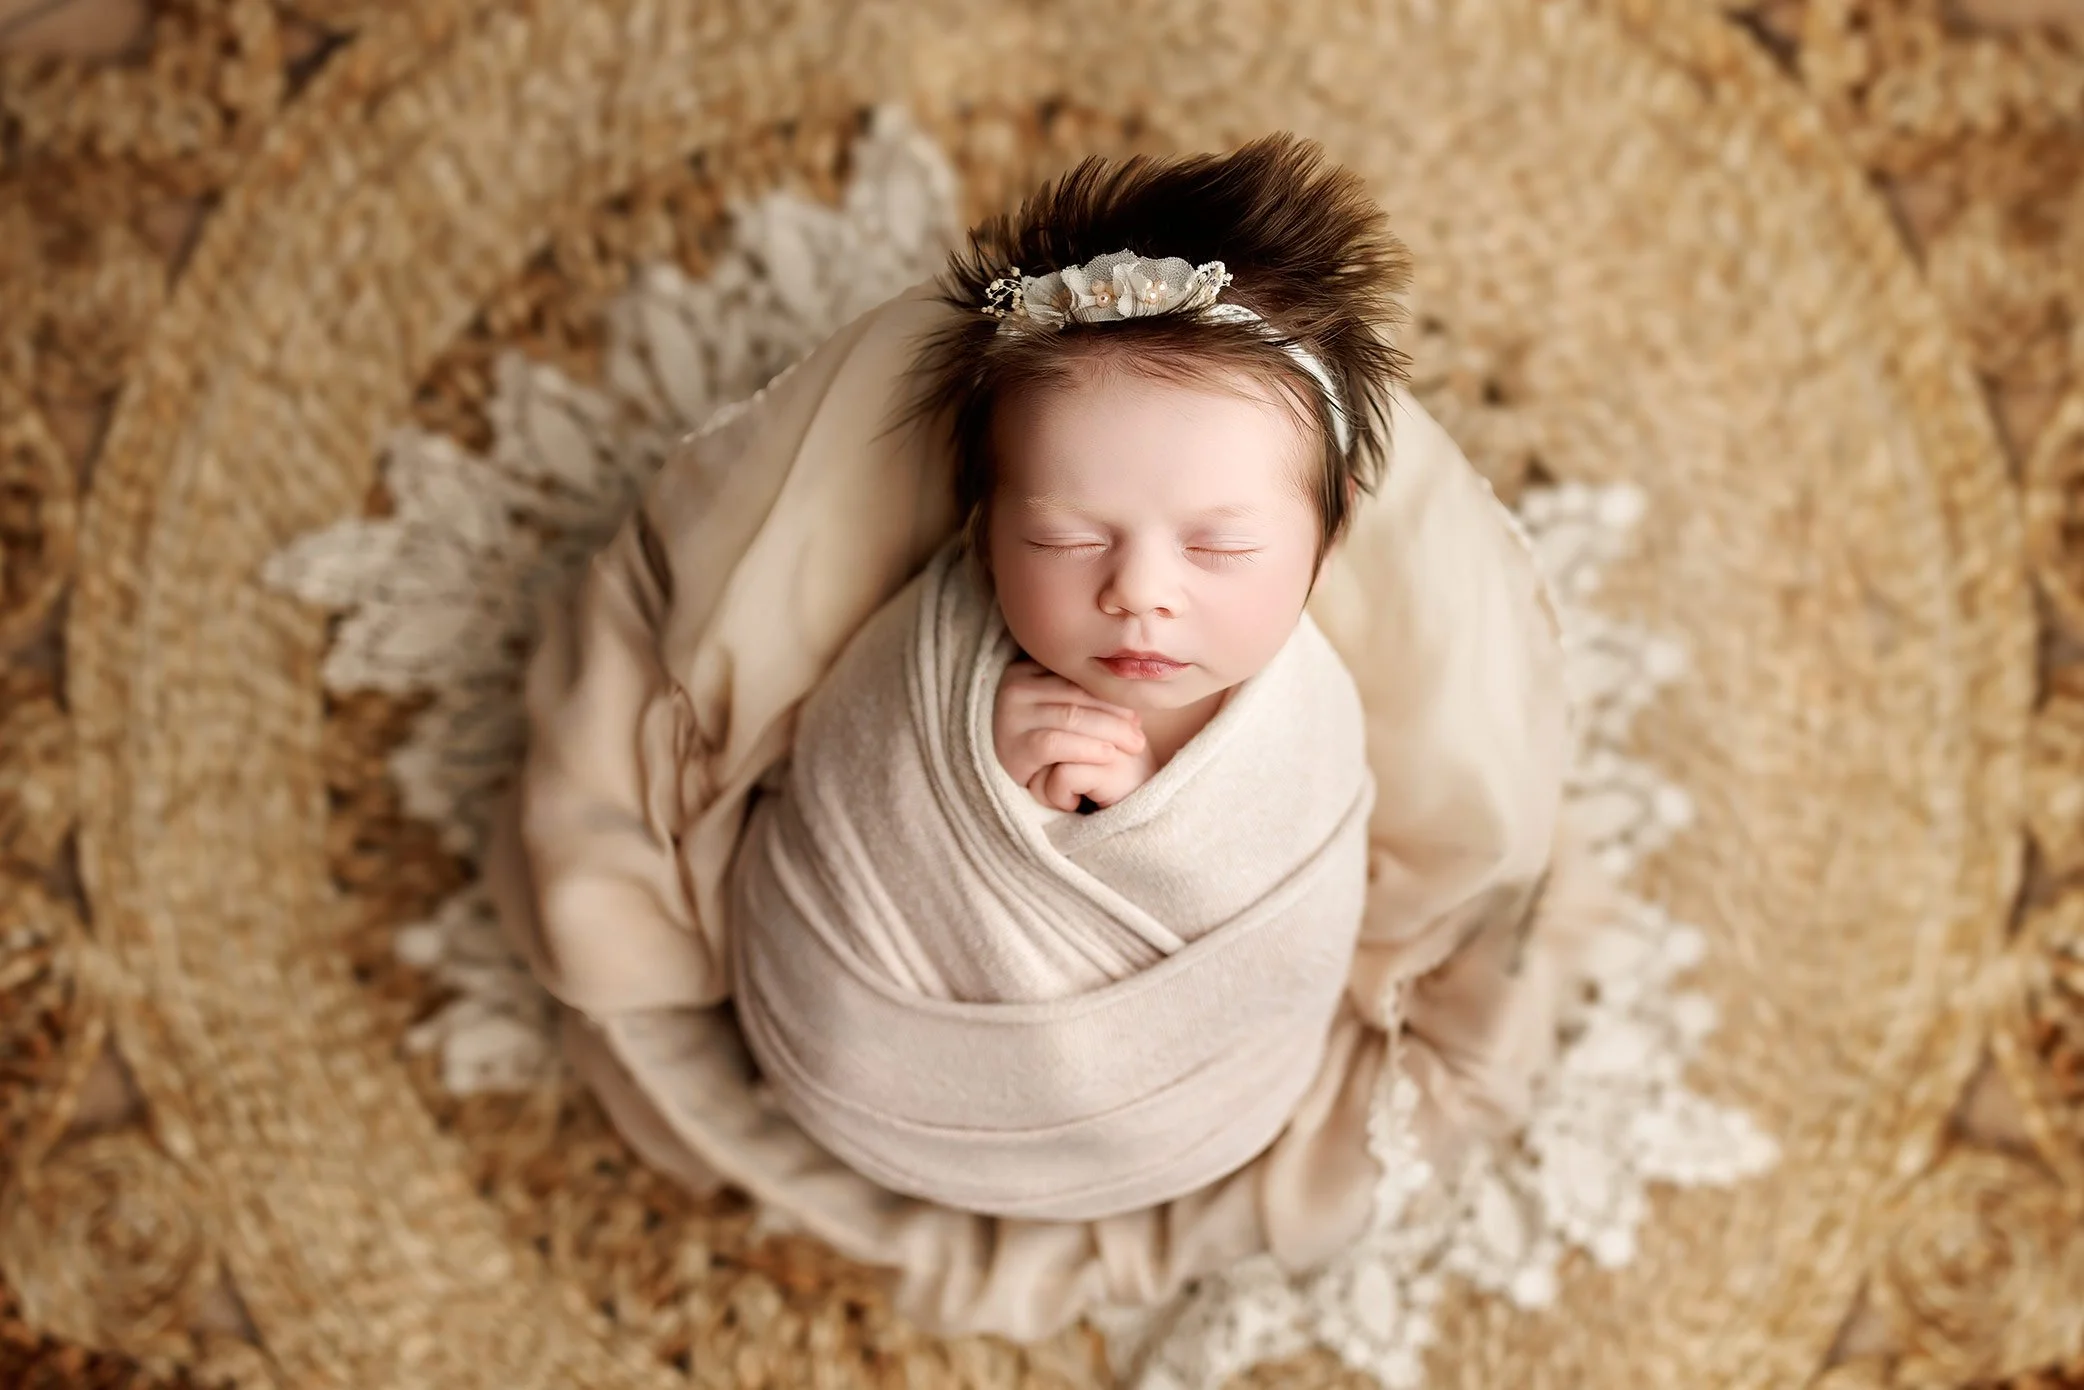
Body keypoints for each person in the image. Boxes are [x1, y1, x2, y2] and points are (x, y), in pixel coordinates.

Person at [488, 133, 1599, 1341]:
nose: (1139, 594)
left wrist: (1158, 813)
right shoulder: (933, 635)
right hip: (849, 1038)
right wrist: (963, 763)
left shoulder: (1312, 713)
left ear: (1323, 552)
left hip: (1189, 1105)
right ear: (982, 525)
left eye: (1218, 548)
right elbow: (831, 757)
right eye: (1068, 539)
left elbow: (1311, 886)